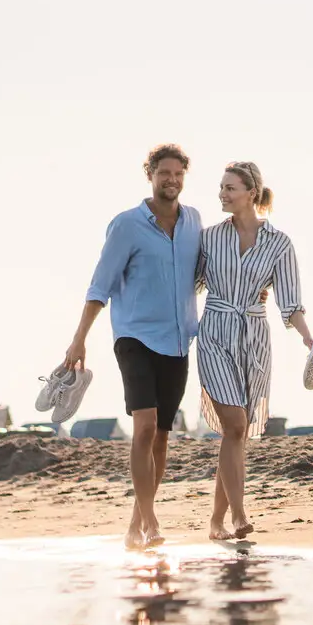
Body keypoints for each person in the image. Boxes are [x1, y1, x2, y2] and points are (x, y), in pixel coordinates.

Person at [60, 144, 204, 550]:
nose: (171, 180)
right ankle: (152, 521)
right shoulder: (126, 225)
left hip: (177, 341)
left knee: (161, 436)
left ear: (184, 177)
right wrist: (79, 338)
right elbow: (99, 285)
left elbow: (207, 272)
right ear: (150, 175)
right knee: (143, 428)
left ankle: (135, 524)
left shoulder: (193, 221)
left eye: (178, 173)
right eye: (164, 173)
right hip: (134, 337)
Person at [195, 161, 313, 540]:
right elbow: (187, 284)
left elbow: (291, 302)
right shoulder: (209, 238)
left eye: (230, 188)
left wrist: (309, 339)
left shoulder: (279, 243)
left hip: (254, 337)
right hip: (214, 331)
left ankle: (215, 522)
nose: (222, 194)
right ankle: (239, 516)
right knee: (234, 425)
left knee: (237, 433)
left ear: (251, 193)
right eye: (221, 187)